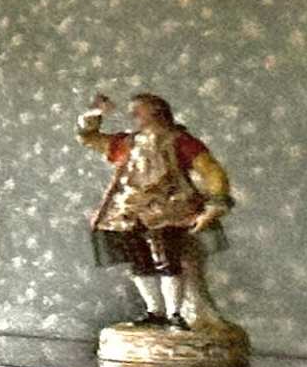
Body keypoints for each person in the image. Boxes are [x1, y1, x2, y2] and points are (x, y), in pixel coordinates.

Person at [79, 91, 233, 329]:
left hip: (169, 211)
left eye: (138, 109)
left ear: (156, 112)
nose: (133, 114)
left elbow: (211, 171)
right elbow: (88, 137)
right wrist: (94, 114)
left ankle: (175, 313)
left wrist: (216, 204)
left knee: (168, 261)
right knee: (140, 264)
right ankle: (155, 311)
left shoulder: (179, 141)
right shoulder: (128, 143)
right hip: (130, 213)